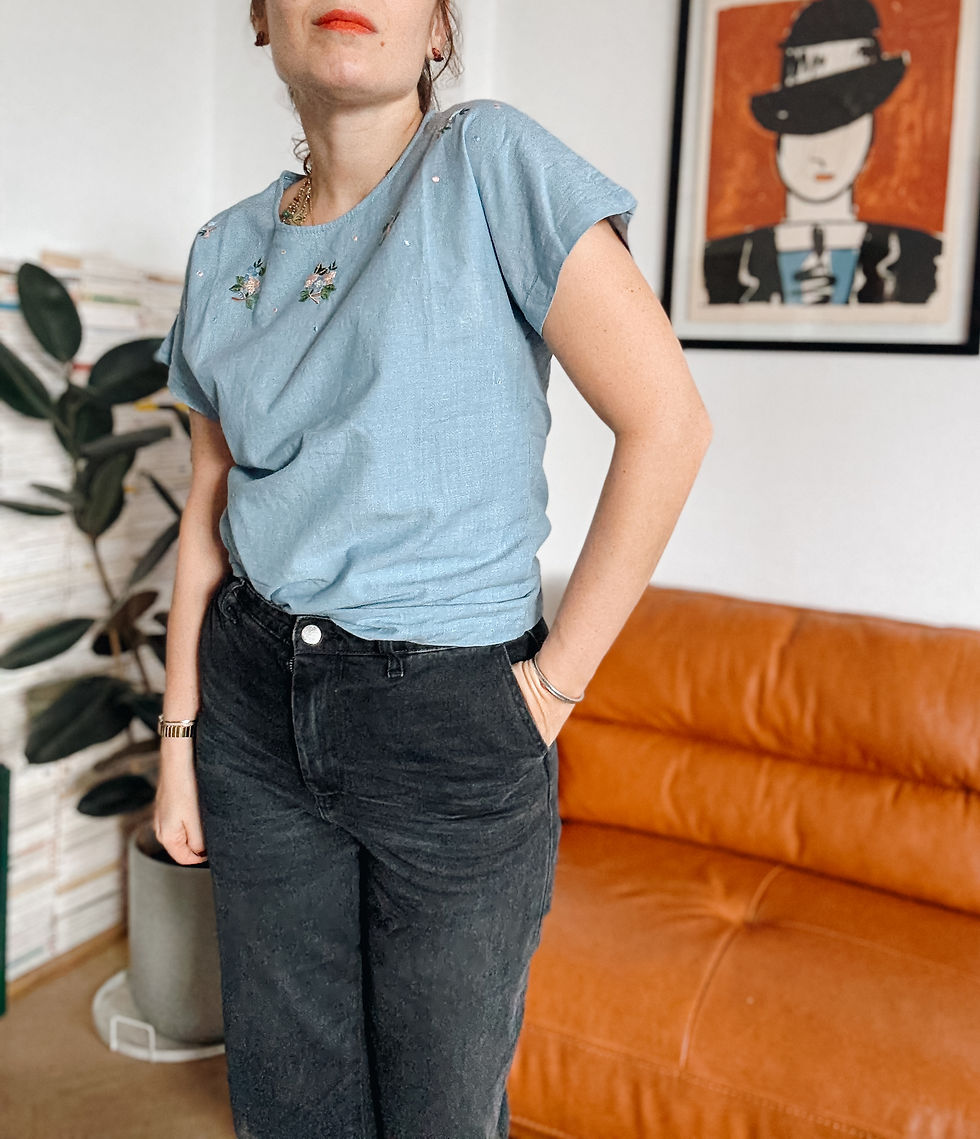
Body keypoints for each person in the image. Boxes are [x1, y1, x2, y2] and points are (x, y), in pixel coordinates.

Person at [152, 2, 712, 1137]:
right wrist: (178, 740)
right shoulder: (222, 251)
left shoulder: (488, 162)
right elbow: (208, 511)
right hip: (252, 704)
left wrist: (549, 689)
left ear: (441, 32)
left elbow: (669, 424)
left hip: (449, 719)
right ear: (260, 19)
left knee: (439, 1112)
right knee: (288, 1100)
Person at [704, 0, 941, 305]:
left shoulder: (914, 257)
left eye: (843, 128)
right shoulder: (728, 263)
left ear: (869, 131)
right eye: (805, 129)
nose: (822, 155)